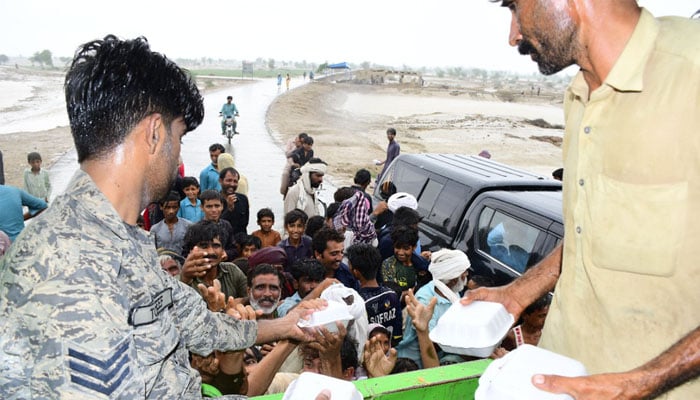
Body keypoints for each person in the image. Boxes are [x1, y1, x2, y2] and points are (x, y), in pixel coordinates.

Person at [0, 35, 317, 398]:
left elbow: (199, 325)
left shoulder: (119, 238)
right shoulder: (71, 268)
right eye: (179, 135)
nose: (178, 150)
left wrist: (287, 326)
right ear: (153, 133)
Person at [462, 2, 700, 398]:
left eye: (516, 7)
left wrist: (643, 382)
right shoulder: (579, 96)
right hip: (561, 373)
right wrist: (520, 292)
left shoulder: (691, 75)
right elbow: (590, 225)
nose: (513, 35)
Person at [397, 248, 469, 368]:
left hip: (438, 357)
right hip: (414, 364)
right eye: (464, 274)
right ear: (453, 278)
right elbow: (433, 342)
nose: (466, 278)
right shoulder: (425, 300)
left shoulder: (452, 293)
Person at [346, 243, 402, 346]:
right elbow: (397, 335)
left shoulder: (359, 303)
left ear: (356, 272)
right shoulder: (392, 295)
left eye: (349, 264)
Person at [200, 189, 237, 261]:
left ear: (222, 206)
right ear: (202, 207)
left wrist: (226, 253)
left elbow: (234, 249)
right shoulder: (196, 229)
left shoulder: (226, 226)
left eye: (217, 206)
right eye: (209, 206)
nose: (213, 210)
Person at [151, 191, 192, 256]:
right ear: (161, 207)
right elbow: (152, 251)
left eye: (174, 207)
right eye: (168, 207)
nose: (171, 211)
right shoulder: (155, 229)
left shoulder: (188, 226)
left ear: (178, 207)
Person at [219, 167, 249, 237]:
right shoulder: (214, 200)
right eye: (228, 180)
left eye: (235, 181)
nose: (232, 184)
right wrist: (229, 210)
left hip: (239, 241)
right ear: (220, 181)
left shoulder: (243, 199)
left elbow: (244, 225)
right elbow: (215, 224)